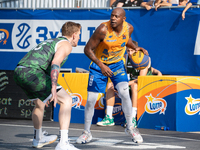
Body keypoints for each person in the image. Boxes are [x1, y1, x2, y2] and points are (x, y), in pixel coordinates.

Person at [76, 7, 148, 144]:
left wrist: (134, 47)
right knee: (91, 99)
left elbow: (126, 40)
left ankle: (130, 127)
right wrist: (101, 65)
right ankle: (86, 132)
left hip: (117, 65)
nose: (113, 18)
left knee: (124, 92)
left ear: (123, 19)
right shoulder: (103, 29)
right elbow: (87, 49)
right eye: (112, 16)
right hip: (99, 65)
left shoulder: (129, 28)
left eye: (116, 16)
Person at [13, 21, 81, 150]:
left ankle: (38, 139)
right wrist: (53, 87)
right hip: (32, 72)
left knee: (40, 103)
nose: (79, 37)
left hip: (18, 71)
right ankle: (63, 143)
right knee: (66, 100)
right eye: (79, 35)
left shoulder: (52, 41)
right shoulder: (66, 45)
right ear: (73, 35)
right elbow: (56, 62)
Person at [96, 41, 162, 127]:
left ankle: (132, 118)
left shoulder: (144, 59)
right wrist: (117, 83)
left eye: (132, 50)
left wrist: (126, 84)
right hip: (130, 83)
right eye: (128, 51)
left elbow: (140, 79)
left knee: (134, 86)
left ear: (136, 50)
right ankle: (109, 118)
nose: (130, 53)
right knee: (110, 85)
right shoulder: (125, 58)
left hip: (144, 85)